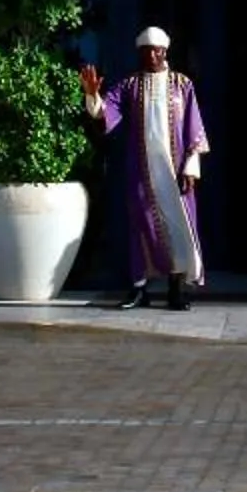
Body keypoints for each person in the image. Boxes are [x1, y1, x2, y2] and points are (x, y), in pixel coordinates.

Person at [82, 25, 210, 311]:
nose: (151, 55)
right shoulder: (130, 85)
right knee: (142, 228)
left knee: (179, 229)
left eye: (156, 49)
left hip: (175, 173)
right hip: (142, 172)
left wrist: (191, 166)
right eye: (145, 50)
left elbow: (195, 129)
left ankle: (176, 290)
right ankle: (139, 289)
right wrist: (92, 96)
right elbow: (107, 113)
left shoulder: (182, 84)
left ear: (164, 51)